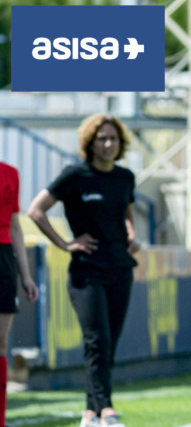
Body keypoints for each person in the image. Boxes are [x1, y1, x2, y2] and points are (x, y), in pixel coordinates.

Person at [27, 114, 140, 427]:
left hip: (121, 268)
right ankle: (107, 410)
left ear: (120, 143)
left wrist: (132, 236)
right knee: (96, 341)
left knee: (108, 345)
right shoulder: (74, 175)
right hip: (87, 271)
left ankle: (90, 412)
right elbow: (35, 211)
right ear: (90, 142)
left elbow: (127, 212)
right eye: (102, 138)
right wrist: (65, 244)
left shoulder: (125, 177)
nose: (108, 144)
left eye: (113, 139)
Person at [0, 161, 40, 427]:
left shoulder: (10, 173)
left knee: (1, 344)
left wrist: (26, 276)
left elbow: (15, 226)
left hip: (3, 259)